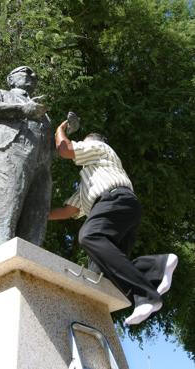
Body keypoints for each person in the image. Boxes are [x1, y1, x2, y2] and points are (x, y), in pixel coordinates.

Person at [49, 120, 178, 325]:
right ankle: (156, 266)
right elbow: (69, 210)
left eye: (83, 143)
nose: (81, 146)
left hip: (115, 200)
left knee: (90, 235)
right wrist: (39, 214)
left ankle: (146, 296)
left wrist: (59, 130)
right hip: (119, 209)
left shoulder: (100, 148)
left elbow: (64, 149)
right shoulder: (89, 183)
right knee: (103, 277)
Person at [0, 66, 54, 251]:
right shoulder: (0, 93)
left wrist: (65, 130)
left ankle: (30, 265)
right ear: (11, 79)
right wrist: (22, 109)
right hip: (9, 152)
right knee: (5, 211)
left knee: (37, 216)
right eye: (26, 72)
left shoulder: (42, 110)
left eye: (34, 74)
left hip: (41, 164)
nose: (33, 76)